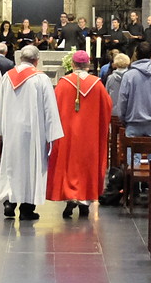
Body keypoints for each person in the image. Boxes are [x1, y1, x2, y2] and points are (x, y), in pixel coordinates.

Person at [0, 45, 62, 220]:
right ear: (36, 61)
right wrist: (52, 133)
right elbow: (49, 108)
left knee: (11, 164)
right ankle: (27, 208)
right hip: (33, 131)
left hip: (12, 130)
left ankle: (9, 202)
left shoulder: (7, 77)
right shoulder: (41, 79)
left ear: (19, 59)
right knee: (32, 166)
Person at [47, 49, 111, 217]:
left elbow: (52, 108)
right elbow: (107, 107)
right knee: (86, 165)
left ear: (73, 64)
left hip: (67, 134)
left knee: (69, 165)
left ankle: (70, 198)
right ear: (88, 65)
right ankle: (84, 201)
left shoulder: (63, 83)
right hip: (89, 135)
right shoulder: (97, 84)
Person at [113, 42, 151, 148]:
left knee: (132, 162)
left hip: (133, 122)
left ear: (136, 54)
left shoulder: (129, 75)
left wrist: (123, 118)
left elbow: (122, 100)